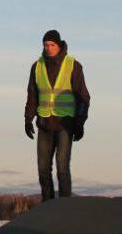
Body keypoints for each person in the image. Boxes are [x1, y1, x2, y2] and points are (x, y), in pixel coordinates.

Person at [24, 30, 90, 199]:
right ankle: (47, 206)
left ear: (59, 46)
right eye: (46, 45)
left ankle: (64, 207)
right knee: (43, 170)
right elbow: (32, 95)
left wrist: (80, 123)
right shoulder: (37, 66)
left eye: (52, 45)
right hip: (44, 124)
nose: (49, 48)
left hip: (65, 125)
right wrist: (28, 119)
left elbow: (83, 97)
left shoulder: (73, 65)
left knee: (62, 168)